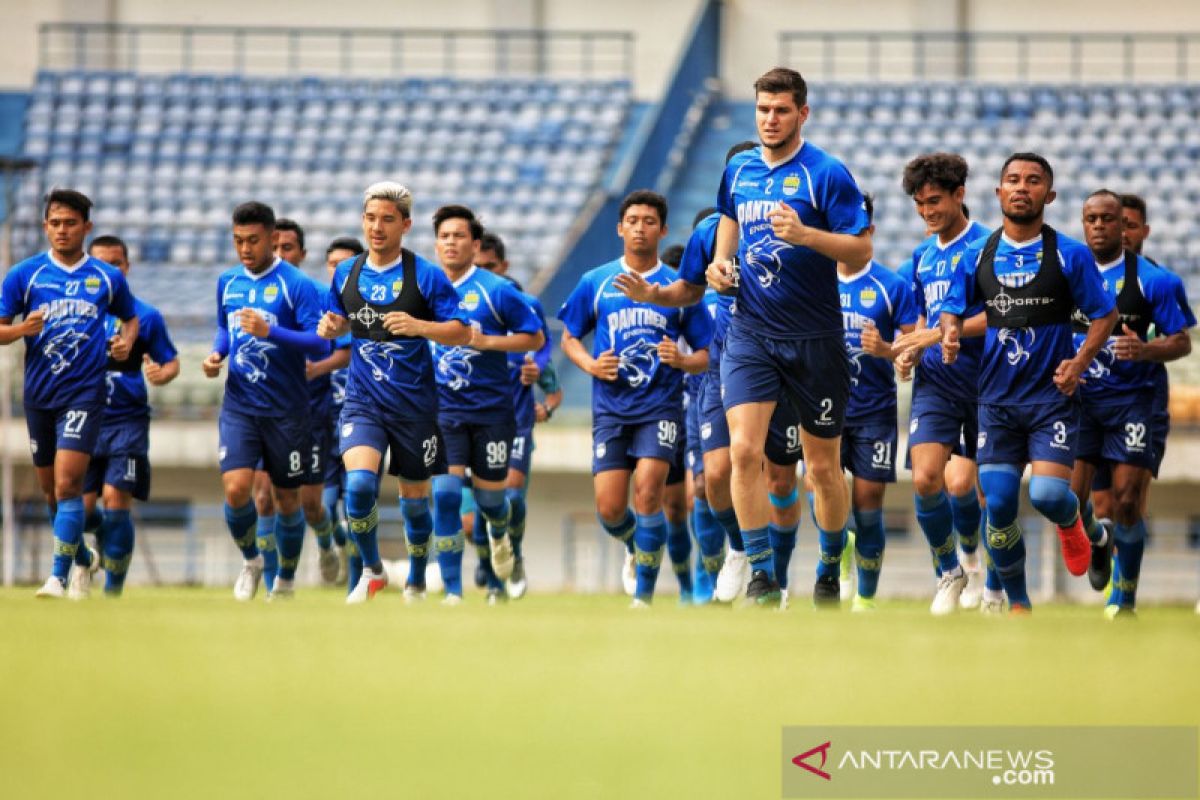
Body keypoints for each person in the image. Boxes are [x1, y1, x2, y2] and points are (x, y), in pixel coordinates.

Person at [705, 68, 872, 607]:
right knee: (743, 451)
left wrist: (806, 236)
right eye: (762, 110)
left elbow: (860, 250)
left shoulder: (827, 173)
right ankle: (761, 575)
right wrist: (719, 265)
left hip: (816, 337)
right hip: (751, 331)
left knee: (822, 467)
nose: (770, 119)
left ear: (802, 113)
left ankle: (828, 563)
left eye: (780, 110)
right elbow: (729, 220)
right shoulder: (739, 168)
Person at [939, 153, 1117, 613]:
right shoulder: (977, 253)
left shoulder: (1069, 254)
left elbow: (1106, 315)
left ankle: (1091, 531)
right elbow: (953, 307)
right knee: (997, 506)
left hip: (1050, 401)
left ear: (1048, 195)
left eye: (1033, 181)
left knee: (1048, 495)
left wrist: (1078, 363)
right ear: (999, 193)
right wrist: (951, 332)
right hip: (995, 401)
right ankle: (1017, 602)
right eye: (1012, 180)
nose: (1022, 187)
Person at [559, 190, 712, 607]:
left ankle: (642, 597)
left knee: (648, 493)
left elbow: (707, 354)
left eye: (649, 221)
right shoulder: (596, 281)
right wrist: (590, 365)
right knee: (610, 510)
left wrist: (681, 360)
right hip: (610, 410)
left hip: (659, 408)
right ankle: (634, 544)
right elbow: (569, 336)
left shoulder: (680, 289)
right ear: (620, 227)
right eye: (633, 220)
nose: (640, 228)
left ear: (662, 230)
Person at [318, 182, 470, 604]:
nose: (377, 227)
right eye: (370, 218)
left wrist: (421, 327)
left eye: (387, 219)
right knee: (361, 486)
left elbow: (462, 331)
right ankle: (371, 570)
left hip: (415, 407)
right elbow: (339, 319)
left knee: (415, 503)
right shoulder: (347, 272)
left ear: (405, 224)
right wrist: (332, 327)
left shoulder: (425, 275)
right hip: (363, 402)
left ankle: (418, 576)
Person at [0, 189, 139, 598]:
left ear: (86, 227)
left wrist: (125, 343)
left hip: (84, 394)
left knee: (67, 486)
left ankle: (57, 577)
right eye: (55, 223)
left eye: (70, 223)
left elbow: (129, 321)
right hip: (39, 395)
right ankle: (81, 557)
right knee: (50, 492)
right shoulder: (25, 275)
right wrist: (20, 331)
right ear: (46, 226)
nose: (62, 230)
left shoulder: (106, 278)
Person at [1070, 190, 1190, 618]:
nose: (1099, 226)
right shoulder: (1067, 274)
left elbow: (1181, 341)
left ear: (1126, 227)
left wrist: (1146, 351)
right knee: (1067, 500)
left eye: (1109, 219)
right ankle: (1099, 542)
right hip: (1081, 402)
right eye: (1092, 219)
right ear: (1083, 224)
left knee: (1124, 501)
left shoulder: (1155, 281)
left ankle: (1124, 599)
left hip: (1134, 404)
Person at [203, 202, 325, 601]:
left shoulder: (298, 285)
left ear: (273, 239)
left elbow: (320, 343)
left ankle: (286, 580)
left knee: (287, 499)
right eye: (238, 241)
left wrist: (271, 331)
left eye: (252, 240)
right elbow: (225, 328)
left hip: (287, 411)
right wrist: (217, 354)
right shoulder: (228, 282)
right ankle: (252, 559)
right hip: (240, 404)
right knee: (237, 490)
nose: (244, 249)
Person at [891, 153, 996, 614]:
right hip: (935, 382)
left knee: (962, 487)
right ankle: (948, 571)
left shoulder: (989, 249)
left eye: (935, 201)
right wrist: (910, 349)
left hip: (983, 382)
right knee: (927, 478)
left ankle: (973, 556)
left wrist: (945, 333)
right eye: (919, 204)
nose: (928, 211)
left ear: (959, 195)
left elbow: (1001, 313)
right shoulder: (922, 255)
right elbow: (918, 318)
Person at [428, 206, 544, 604]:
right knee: (444, 495)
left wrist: (487, 342)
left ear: (474, 245)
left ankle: (497, 559)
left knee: (492, 503)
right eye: (444, 236)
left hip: (493, 413)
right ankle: (454, 592)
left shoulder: (497, 290)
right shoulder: (422, 291)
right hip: (443, 413)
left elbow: (535, 339)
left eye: (459, 236)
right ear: (436, 243)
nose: (451, 243)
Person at [71, 235, 179, 598]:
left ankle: (113, 592)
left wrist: (164, 374)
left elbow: (171, 361)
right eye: (101, 263)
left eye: (116, 263)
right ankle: (94, 548)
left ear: (126, 267)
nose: (109, 270)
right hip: (84, 420)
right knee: (81, 511)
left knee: (117, 500)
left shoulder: (145, 317)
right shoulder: (78, 311)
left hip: (126, 424)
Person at [835, 195, 919, 610]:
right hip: (822, 410)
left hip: (873, 411)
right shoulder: (814, 283)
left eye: (859, 229)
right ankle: (838, 554)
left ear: (870, 233)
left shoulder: (892, 286)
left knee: (868, 504)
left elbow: (914, 342)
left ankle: (865, 598)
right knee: (824, 495)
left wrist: (886, 349)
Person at [476, 231, 562, 599]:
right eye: (478, 268)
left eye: (489, 267)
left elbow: (546, 360)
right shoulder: (459, 312)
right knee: (469, 519)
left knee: (509, 497)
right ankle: (490, 563)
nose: (484, 275)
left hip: (514, 424)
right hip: (467, 421)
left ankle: (508, 566)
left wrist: (543, 397)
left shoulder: (522, 320)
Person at [319, 236, 364, 588]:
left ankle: (356, 583)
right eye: (332, 264)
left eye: (344, 264)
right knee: (321, 505)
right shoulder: (317, 305)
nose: (337, 270)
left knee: (356, 505)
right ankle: (329, 545)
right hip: (321, 422)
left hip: (361, 421)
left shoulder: (369, 309)